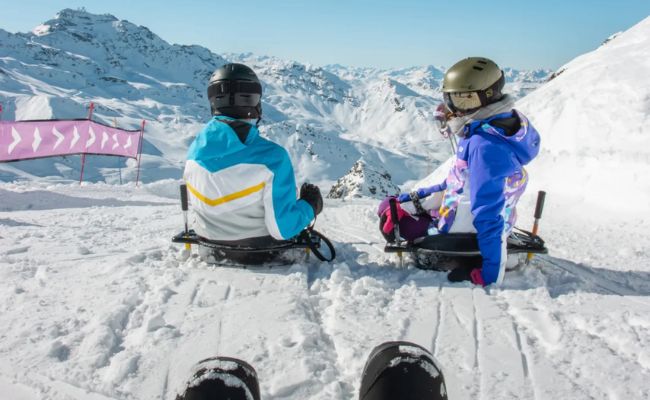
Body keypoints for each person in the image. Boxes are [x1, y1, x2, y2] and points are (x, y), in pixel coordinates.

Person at [378, 57, 541, 286]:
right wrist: (412, 198)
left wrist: (489, 274)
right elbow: (459, 183)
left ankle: (454, 254)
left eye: (464, 100)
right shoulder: (495, 128)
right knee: (392, 204)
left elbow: (489, 213)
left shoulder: (485, 146)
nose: (455, 109)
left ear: (488, 96)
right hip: (461, 215)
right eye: (451, 99)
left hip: (461, 228)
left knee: (388, 214)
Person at [183, 63, 323, 261]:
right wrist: (310, 205)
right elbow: (283, 229)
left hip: (208, 244)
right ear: (255, 103)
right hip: (260, 250)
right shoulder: (273, 158)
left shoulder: (193, 153)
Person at [175, 341, 448, 400]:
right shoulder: (271, 187)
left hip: (214, 233)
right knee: (408, 377)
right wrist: (309, 208)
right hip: (260, 240)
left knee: (215, 387)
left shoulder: (198, 186)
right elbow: (281, 227)